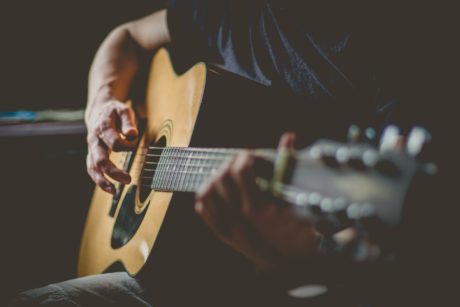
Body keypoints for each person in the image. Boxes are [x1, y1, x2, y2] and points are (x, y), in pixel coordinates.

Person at [9, 1, 451, 306]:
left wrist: (300, 266)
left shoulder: (396, 51)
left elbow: (404, 262)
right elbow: (125, 37)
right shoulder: (232, 14)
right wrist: (101, 107)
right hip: (182, 270)